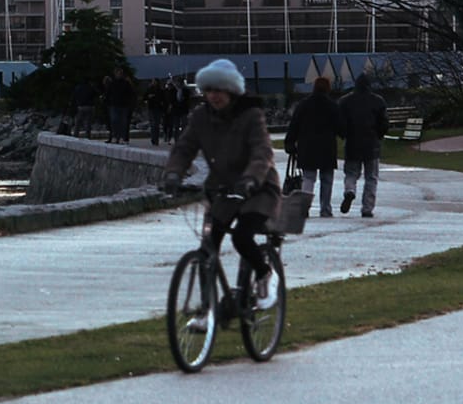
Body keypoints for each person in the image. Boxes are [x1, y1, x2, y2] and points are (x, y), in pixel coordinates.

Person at [162, 59, 282, 312]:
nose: (213, 96)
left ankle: (264, 273)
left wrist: (250, 179)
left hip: (258, 188)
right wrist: (173, 174)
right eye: (209, 90)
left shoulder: (251, 115)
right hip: (223, 190)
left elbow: (262, 153)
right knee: (207, 250)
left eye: (219, 90)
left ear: (231, 91)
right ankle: (207, 311)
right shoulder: (200, 117)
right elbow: (184, 148)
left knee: (241, 237)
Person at [284, 75, 343, 218]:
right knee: (326, 179)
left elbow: (294, 126)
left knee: (308, 178)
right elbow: (340, 127)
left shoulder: (303, 105)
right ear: (328, 89)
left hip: (307, 146)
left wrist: (290, 142)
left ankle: (304, 207)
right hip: (327, 147)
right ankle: (325, 208)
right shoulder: (332, 105)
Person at [338, 72, 388, 216]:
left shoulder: (345, 101)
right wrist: (379, 135)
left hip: (352, 143)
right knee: (371, 177)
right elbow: (384, 123)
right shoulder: (378, 101)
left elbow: (340, 122)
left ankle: (350, 190)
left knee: (351, 173)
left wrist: (344, 134)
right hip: (372, 144)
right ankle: (367, 208)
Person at [104, 66, 137, 144]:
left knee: (123, 122)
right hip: (114, 105)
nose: (119, 75)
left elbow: (131, 93)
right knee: (114, 121)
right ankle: (115, 136)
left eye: (120, 73)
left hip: (124, 105)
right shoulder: (112, 83)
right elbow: (108, 94)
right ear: (115, 74)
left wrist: (130, 103)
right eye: (117, 73)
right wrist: (108, 102)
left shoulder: (126, 83)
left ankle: (122, 137)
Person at [145, 79, 173, 146]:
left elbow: (164, 100)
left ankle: (156, 140)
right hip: (151, 108)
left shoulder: (161, 91)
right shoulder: (149, 89)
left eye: (155, 82)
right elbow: (144, 97)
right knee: (153, 125)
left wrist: (164, 107)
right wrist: (148, 97)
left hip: (158, 109)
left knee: (156, 125)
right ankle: (153, 139)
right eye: (153, 82)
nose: (154, 83)